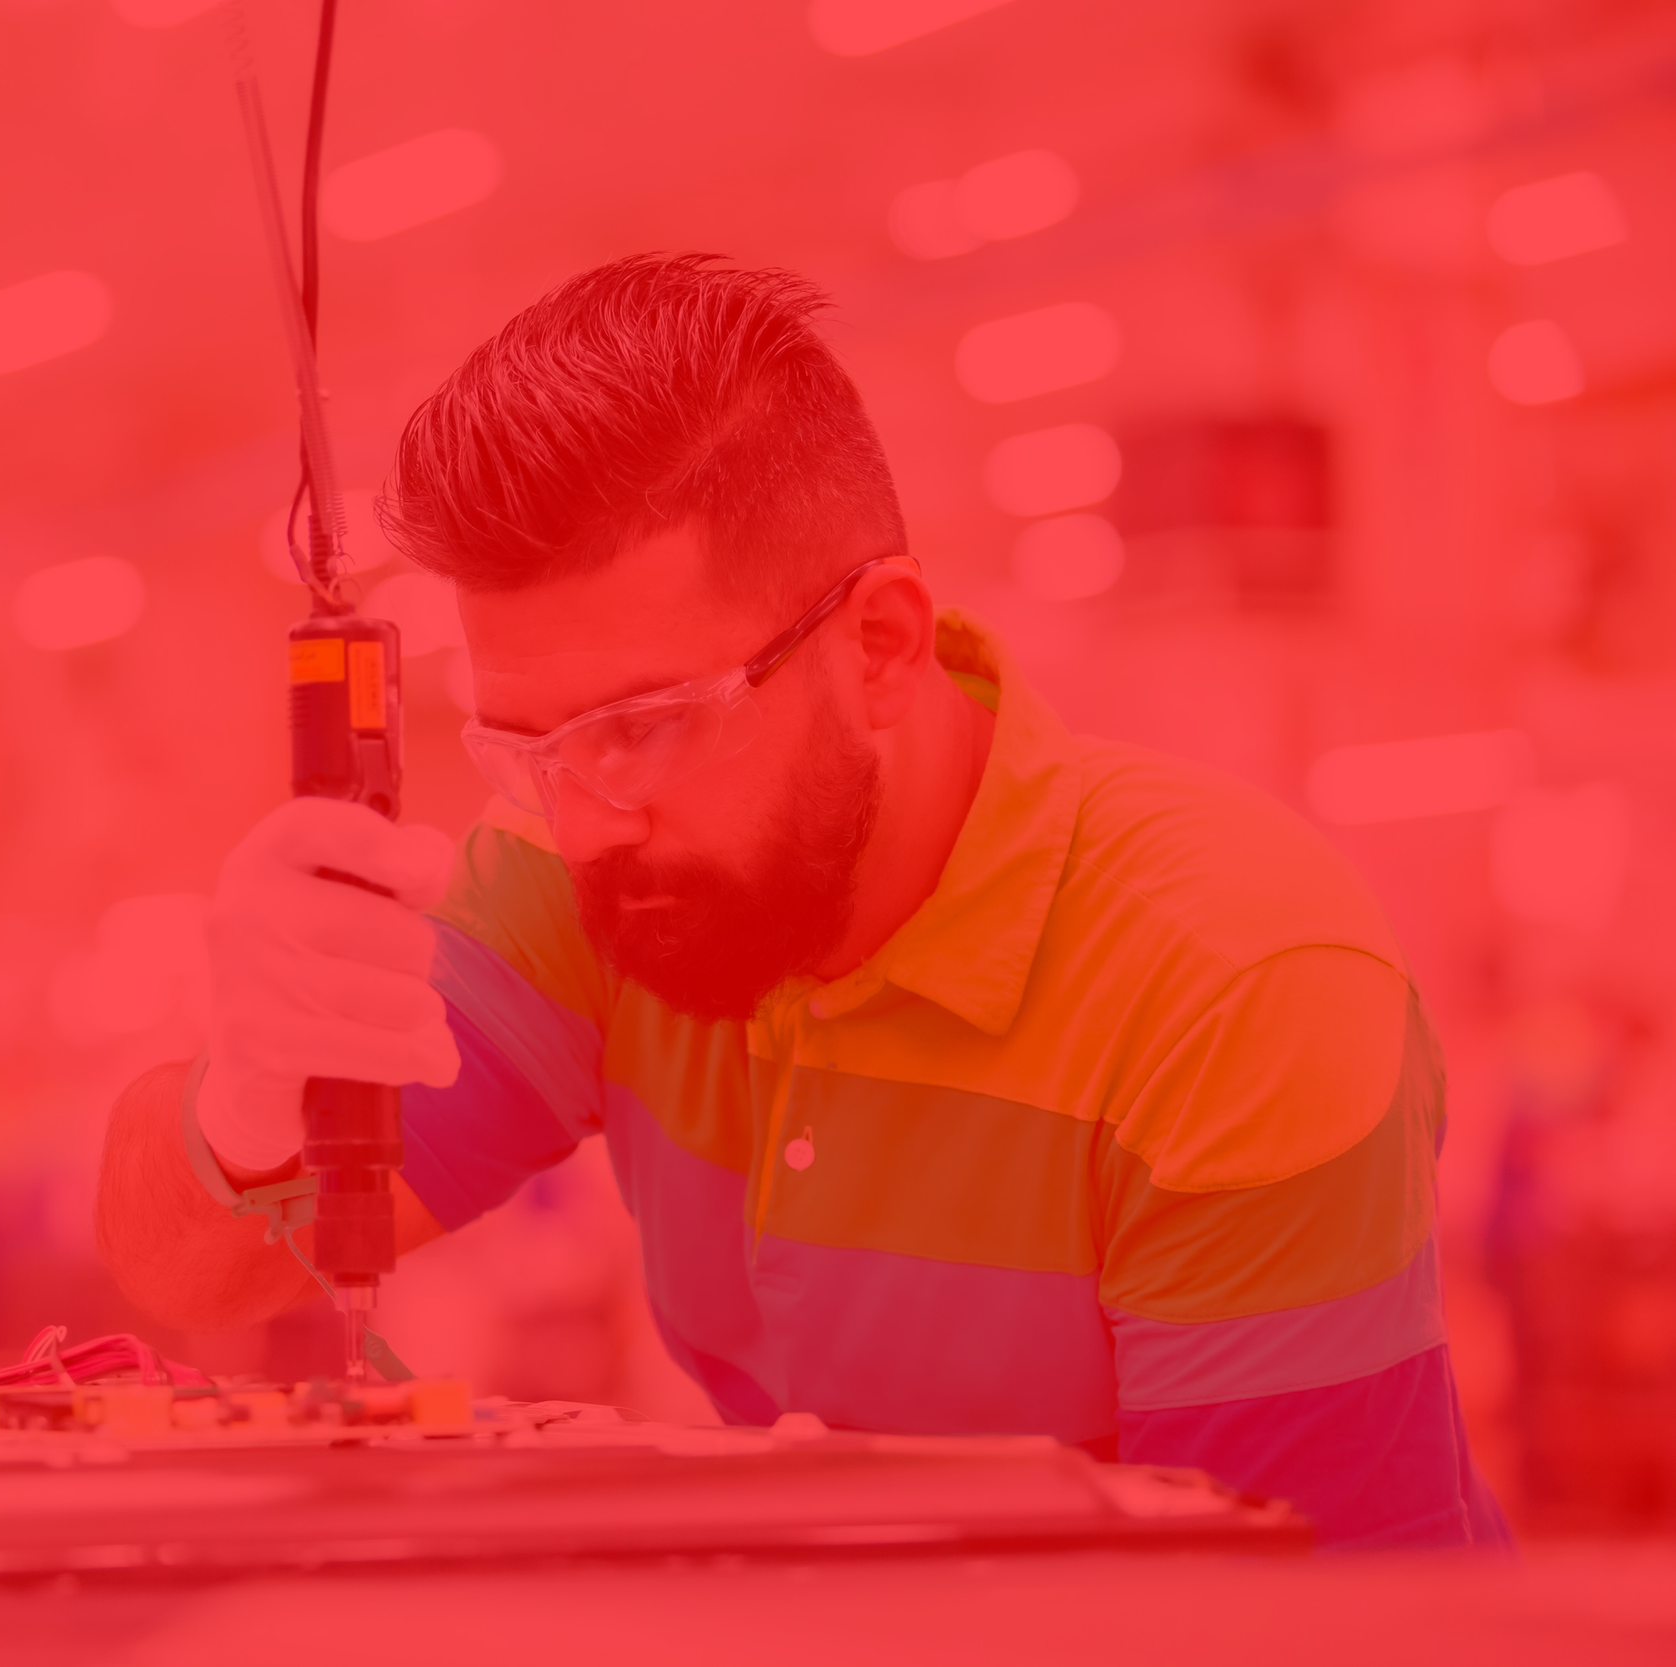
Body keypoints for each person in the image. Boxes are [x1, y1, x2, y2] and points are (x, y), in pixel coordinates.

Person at [95, 253, 1508, 1549]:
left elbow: (1293, 1622)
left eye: (647, 727)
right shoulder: (590, 873)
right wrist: (243, 1107)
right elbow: (197, 1273)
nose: (585, 823)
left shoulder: (1232, 982)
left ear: (881, 645)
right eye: (527, 747)